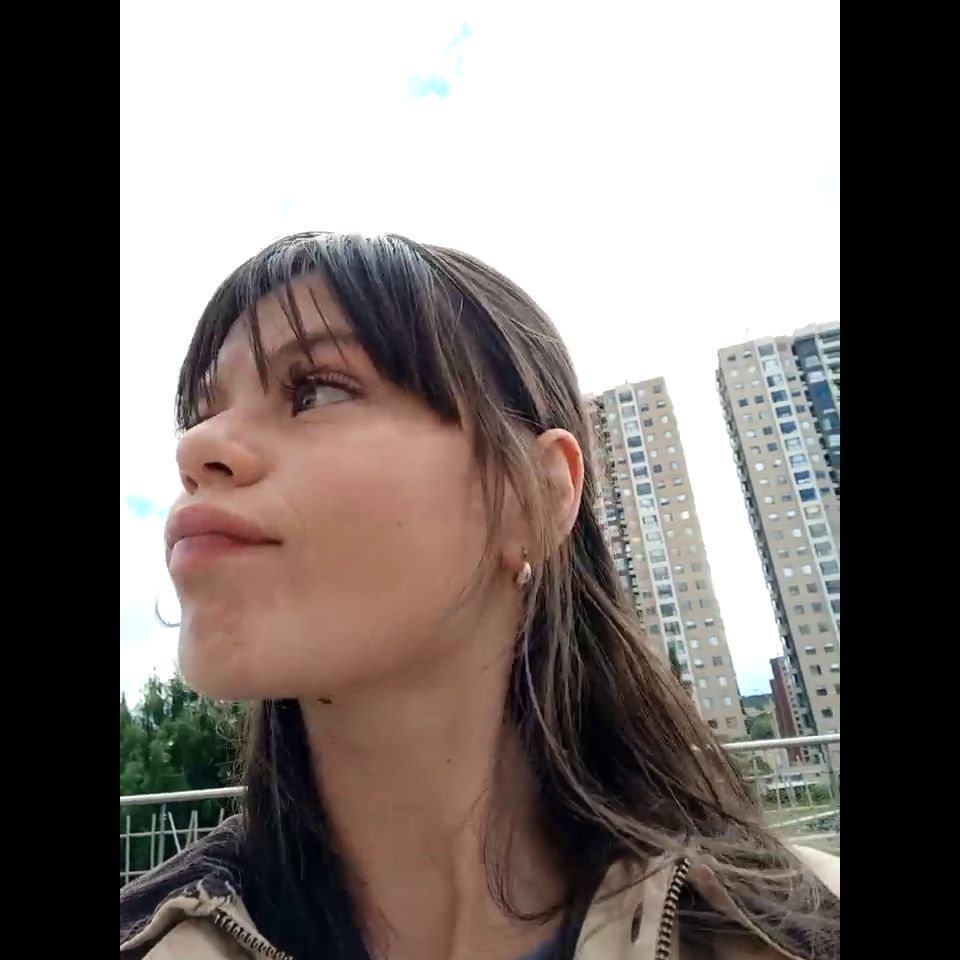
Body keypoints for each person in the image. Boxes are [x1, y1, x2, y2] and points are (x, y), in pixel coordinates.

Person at [120, 232, 839, 960]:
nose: (196, 450)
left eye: (316, 390)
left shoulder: (800, 929)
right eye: (202, 414)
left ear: (533, 497)